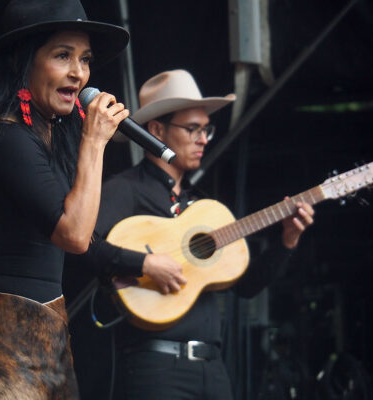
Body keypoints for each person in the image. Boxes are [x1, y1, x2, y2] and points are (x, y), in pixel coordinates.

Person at [80, 69, 316, 399]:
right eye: (193, 129)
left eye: (207, 129)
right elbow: (82, 246)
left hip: (213, 368)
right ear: (157, 130)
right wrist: (146, 264)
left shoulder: (204, 208)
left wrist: (286, 241)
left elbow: (246, 287)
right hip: (154, 367)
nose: (203, 138)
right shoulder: (126, 190)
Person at [0, 0, 130, 399]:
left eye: (85, 59)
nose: (79, 73)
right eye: (63, 56)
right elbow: (74, 236)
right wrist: (93, 141)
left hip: (46, 333)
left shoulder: (46, 139)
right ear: (22, 61)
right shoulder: (7, 138)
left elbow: (87, 236)